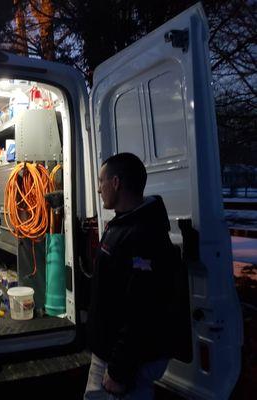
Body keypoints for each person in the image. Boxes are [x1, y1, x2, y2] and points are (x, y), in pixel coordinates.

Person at [84, 152, 179, 399]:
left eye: (101, 181)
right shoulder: (123, 224)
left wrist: (118, 371)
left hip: (122, 364)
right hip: (111, 355)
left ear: (115, 183)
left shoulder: (144, 235)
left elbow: (142, 311)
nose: (98, 189)